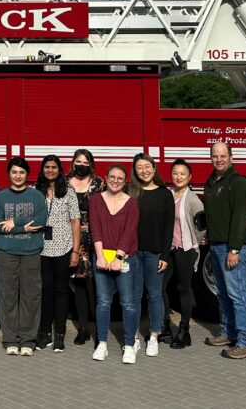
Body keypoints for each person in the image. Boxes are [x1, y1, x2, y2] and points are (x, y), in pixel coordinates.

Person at [203, 141, 246, 358]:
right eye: (215, 156)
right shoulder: (211, 182)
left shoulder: (238, 183)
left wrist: (235, 249)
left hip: (232, 247)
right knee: (224, 294)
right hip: (216, 246)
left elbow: (240, 218)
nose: (219, 159)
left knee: (238, 295)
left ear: (231, 157)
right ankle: (229, 332)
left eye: (223, 155)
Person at [0, 157, 47, 356]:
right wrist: (23, 227)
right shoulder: (1, 197)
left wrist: (14, 222)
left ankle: (28, 340)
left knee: (30, 297)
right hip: (7, 253)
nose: (18, 176)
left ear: (27, 175)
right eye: (14, 172)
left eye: (22, 172)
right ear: (9, 174)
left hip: (31, 253)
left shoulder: (36, 196)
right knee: (8, 296)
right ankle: (10, 339)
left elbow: (41, 220)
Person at [89, 165, 141, 364]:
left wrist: (118, 259)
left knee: (127, 303)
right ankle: (101, 343)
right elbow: (96, 229)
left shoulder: (131, 203)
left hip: (125, 258)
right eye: (112, 177)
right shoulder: (95, 200)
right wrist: (100, 257)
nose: (116, 181)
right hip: (102, 256)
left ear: (125, 180)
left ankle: (129, 345)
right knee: (103, 302)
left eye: (120, 178)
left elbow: (129, 233)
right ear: (106, 178)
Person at [130, 153, 174, 358]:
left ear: (154, 169)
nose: (144, 171)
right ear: (134, 170)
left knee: (155, 295)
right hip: (133, 253)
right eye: (139, 167)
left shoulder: (165, 194)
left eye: (147, 166)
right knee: (135, 296)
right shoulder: (130, 192)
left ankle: (154, 336)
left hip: (155, 253)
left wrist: (165, 255)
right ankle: (135, 337)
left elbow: (168, 228)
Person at [35, 155, 81, 352]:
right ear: (42, 169)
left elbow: (75, 221)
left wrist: (76, 251)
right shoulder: (36, 191)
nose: (50, 170)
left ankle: (60, 334)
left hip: (63, 247)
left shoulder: (68, 192)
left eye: (54, 167)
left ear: (59, 170)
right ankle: (45, 333)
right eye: (47, 167)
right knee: (45, 290)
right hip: (41, 248)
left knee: (61, 291)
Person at [162, 158, 205, 349]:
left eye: (183, 174)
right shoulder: (168, 194)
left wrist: (198, 241)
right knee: (159, 287)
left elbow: (202, 224)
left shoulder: (193, 199)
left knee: (183, 289)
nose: (178, 177)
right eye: (175, 173)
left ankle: (184, 331)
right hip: (169, 249)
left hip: (185, 250)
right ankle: (165, 327)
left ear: (189, 177)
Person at [67, 148, 102, 346]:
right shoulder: (65, 183)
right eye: (78, 161)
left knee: (95, 286)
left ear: (90, 164)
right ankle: (83, 329)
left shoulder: (98, 183)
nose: (81, 165)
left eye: (85, 162)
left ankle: (99, 330)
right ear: (73, 163)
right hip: (72, 240)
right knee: (79, 284)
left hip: (94, 239)